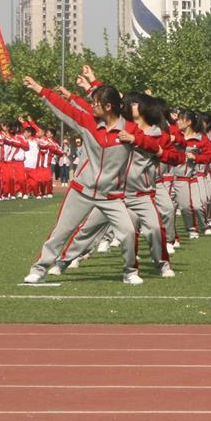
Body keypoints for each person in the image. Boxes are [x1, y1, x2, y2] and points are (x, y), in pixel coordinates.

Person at [22, 76, 144, 285]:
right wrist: (41, 90)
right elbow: (64, 109)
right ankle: (39, 269)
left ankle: (130, 272)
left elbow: (150, 143)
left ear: (108, 107)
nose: (92, 106)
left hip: (111, 195)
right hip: (82, 190)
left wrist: (136, 139)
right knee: (61, 232)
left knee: (128, 232)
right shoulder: (88, 123)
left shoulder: (130, 130)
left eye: (96, 103)